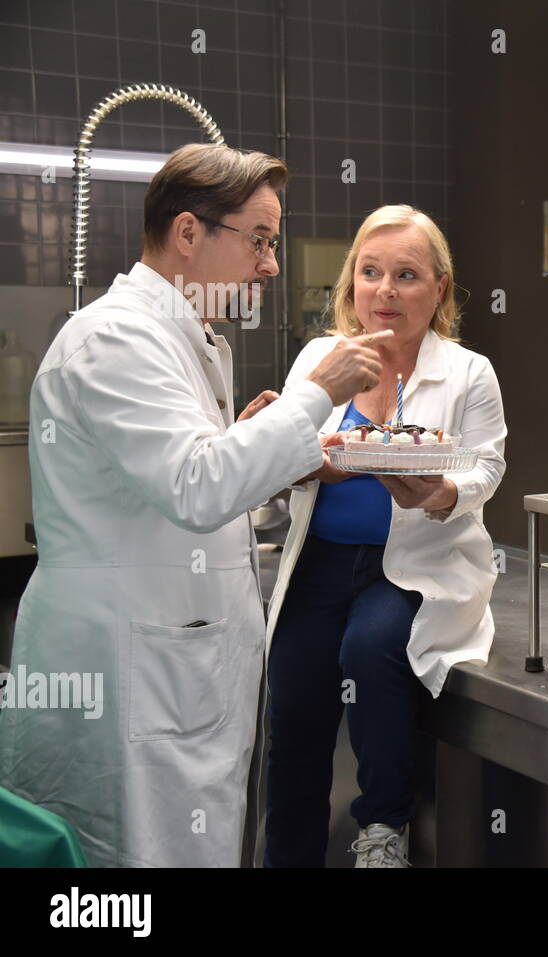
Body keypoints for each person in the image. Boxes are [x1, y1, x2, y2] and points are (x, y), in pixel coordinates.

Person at [0, 144, 388, 867]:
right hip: (130, 688)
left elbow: (179, 475)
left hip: (176, 684)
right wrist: (316, 396)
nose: (270, 264)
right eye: (261, 240)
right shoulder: (116, 338)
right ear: (188, 233)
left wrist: (277, 457)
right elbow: (196, 484)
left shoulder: (187, 340)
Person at [262, 204, 506, 868]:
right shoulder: (320, 357)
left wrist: (442, 492)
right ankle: (290, 850)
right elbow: (284, 449)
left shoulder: (466, 373)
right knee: (296, 692)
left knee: (371, 650)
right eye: (370, 273)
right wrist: (312, 461)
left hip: (411, 565)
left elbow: (486, 463)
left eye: (406, 274)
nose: (385, 291)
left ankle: (382, 827)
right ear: (351, 284)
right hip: (319, 562)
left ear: (440, 289)